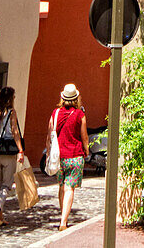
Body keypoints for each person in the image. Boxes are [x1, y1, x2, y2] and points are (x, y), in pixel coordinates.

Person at [47, 83, 89, 231]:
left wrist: (48, 152)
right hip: (75, 155)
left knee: (62, 187)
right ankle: (63, 221)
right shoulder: (80, 115)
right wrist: (87, 150)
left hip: (59, 157)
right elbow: (84, 136)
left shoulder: (55, 113)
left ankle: (62, 216)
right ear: (76, 98)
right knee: (69, 188)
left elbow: (50, 135)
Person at [0, 86, 24, 232]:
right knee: (6, 185)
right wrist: (20, 150)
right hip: (8, 153)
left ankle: (0, 219)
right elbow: (15, 132)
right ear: (10, 99)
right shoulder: (11, 113)